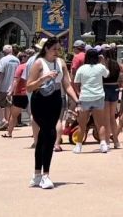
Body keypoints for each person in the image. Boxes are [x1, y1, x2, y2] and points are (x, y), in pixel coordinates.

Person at [26, 37, 78, 188]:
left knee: (44, 136)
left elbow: (66, 84)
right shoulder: (38, 63)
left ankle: (37, 174)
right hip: (40, 100)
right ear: (46, 49)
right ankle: (45, 175)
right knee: (49, 134)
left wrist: (76, 99)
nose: (57, 51)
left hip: (55, 99)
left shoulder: (61, 63)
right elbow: (29, 87)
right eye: (54, 48)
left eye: (58, 49)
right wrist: (43, 78)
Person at [71, 46, 109, 154]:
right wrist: (102, 62)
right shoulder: (100, 67)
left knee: (82, 123)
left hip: (85, 97)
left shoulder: (81, 69)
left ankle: (78, 145)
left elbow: (76, 82)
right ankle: (103, 144)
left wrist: (78, 93)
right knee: (100, 123)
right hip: (98, 96)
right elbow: (107, 74)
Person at [101, 46, 123, 150]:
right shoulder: (116, 64)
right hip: (114, 88)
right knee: (112, 117)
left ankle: (107, 141)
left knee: (106, 118)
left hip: (105, 88)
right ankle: (116, 141)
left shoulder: (103, 64)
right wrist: (121, 82)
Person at [0, 45, 19, 131]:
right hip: (13, 87)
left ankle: (3, 120)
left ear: (4, 52)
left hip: (3, 86)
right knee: (8, 105)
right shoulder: (17, 60)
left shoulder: (3, 60)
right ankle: (7, 122)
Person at [6, 51, 30, 139]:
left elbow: (16, 81)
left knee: (14, 115)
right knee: (33, 114)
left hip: (20, 93)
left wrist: (10, 92)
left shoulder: (20, 67)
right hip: (30, 92)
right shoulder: (31, 66)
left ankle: (9, 133)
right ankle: (36, 133)